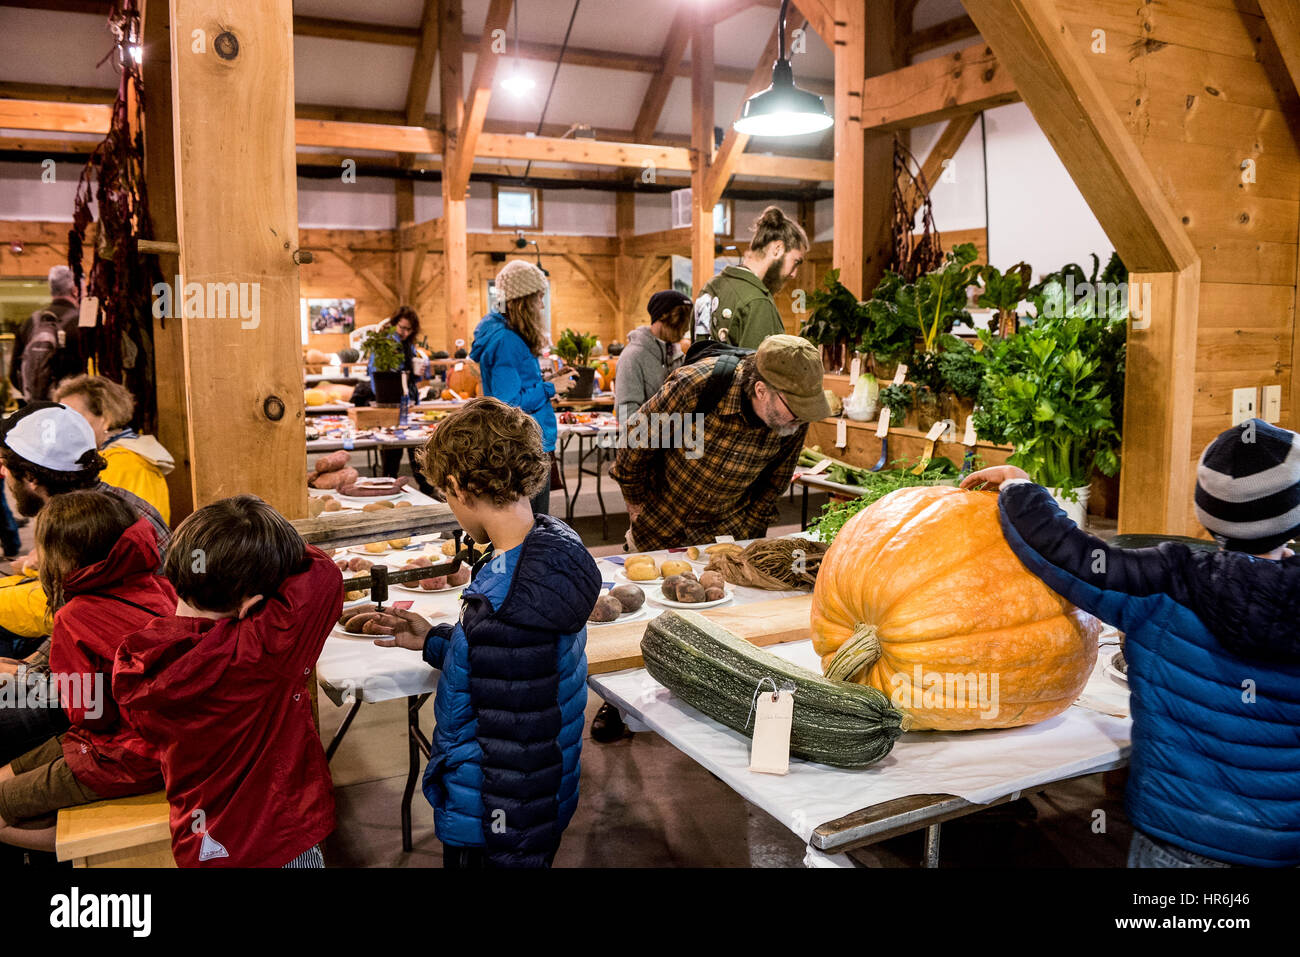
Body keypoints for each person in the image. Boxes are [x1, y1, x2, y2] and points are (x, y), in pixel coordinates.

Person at [963, 418, 1300, 868]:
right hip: (1283, 845)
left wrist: (1020, 488)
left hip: (1176, 841)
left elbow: (1066, 554)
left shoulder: (1164, 582)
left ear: (1204, 512)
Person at [371, 397, 600, 867]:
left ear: (457, 485)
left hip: (497, 823)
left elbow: (517, 748)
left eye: (445, 494)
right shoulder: (549, 549)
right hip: (536, 802)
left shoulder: (506, 607)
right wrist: (438, 641)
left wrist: (511, 843)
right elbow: (509, 674)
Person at [113, 495, 341, 868]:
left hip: (200, 840)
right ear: (252, 606)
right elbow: (323, 574)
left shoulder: (142, 658)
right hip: (275, 842)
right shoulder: (261, 652)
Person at [0, 491, 173, 853]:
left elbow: (89, 714)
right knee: (10, 778)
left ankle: (82, 852)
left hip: (127, 755)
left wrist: (31, 680)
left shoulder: (74, 616)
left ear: (61, 557)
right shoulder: (161, 586)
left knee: (8, 803)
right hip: (158, 741)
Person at [0, 403, 171, 767]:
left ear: (31, 478)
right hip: (104, 679)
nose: (2, 473)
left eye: (7, 465)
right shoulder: (102, 507)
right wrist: (28, 667)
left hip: (122, 699)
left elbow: (98, 658)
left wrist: (26, 676)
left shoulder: (87, 530)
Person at [610, 334, 830, 552]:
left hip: (724, 539)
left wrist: (749, 533)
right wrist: (635, 503)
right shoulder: (698, 384)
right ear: (761, 391)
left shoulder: (794, 421)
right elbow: (635, 440)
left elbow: (774, 484)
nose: (801, 417)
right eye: (795, 408)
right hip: (659, 528)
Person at [470, 260, 577, 515]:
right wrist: (550, 388)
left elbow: (517, 385)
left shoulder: (506, 335)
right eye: (539, 297)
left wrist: (548, 381)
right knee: (532, 526)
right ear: (522, 300)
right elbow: (508, 403)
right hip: (523, 448)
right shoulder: (506, 340)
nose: (542, 305)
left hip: (527, 444)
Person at [54, 374, 175, 524]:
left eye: (73, 417)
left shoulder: (120, 463)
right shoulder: (129, 452)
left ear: (106, 418)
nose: (63, 426)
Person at [695, 206, 809, 349]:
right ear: (777, 249)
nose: (794, 274)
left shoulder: (710, 287)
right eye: (796, 262)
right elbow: (763, 369)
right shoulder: (756, 301)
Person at [371, 307, 435, 495]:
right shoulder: (383, 345)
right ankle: (387, 490)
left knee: (418, 451)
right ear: (394, 324)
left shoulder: (410, 347)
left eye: (409, 330)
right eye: (402, 328)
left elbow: (413, 377)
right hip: (391, 404)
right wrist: (384, 399)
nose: (405, 333)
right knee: (392, 452)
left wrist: (419, 374)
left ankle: (426, 492)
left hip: (410, 403)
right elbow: (376, 376)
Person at [614, 289, 692, 424]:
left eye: (684, 328)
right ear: (661, 317)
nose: (681, 333)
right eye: (677, 325)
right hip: (645, 441)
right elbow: (625, 413)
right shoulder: (632, 357)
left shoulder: (679, 356)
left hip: (677, 440)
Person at [10, 265, 85, 403]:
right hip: (73, 408)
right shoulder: (82, 322)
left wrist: (35, 394)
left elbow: (13, 373)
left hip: (36, 406)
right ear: (75, 290)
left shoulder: (31, 322)